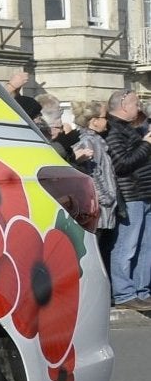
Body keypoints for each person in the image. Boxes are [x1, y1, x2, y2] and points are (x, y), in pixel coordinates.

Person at [104, 91, 151, 310]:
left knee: (146, 246)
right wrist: (146, 144)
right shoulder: (114, 131)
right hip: (130, 195)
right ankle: (124, 293)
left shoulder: (128, 129)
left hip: (144, 193)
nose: (138, 107)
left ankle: (142, 289)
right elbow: (122, 164)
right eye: (135, 102)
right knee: (127, 246)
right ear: (123, 104)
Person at [70, 98, 119, 272]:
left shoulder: (97, 140)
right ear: (94, 121)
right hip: (99, 210)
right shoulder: (87, 142)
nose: (107, 121)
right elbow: (91, 174)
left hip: (106, 209)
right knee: (95, 256)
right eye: (104, 117)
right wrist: (107, 197)